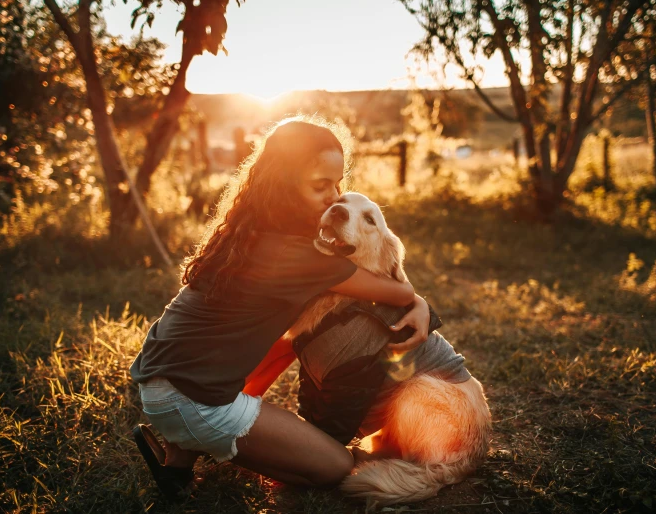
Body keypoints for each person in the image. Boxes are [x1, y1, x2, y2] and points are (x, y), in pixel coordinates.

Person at [130, 116, 431, 500]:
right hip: (192, 398)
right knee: (337, 466)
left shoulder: (249, 231)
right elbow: (396, 292)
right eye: (320, 186)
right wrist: (418, 303)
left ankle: (177, 463)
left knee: (260, 353)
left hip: (157, 382)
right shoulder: (301, 256)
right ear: (284, 185)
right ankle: (200, 436)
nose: (334, 197)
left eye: (337, 184)